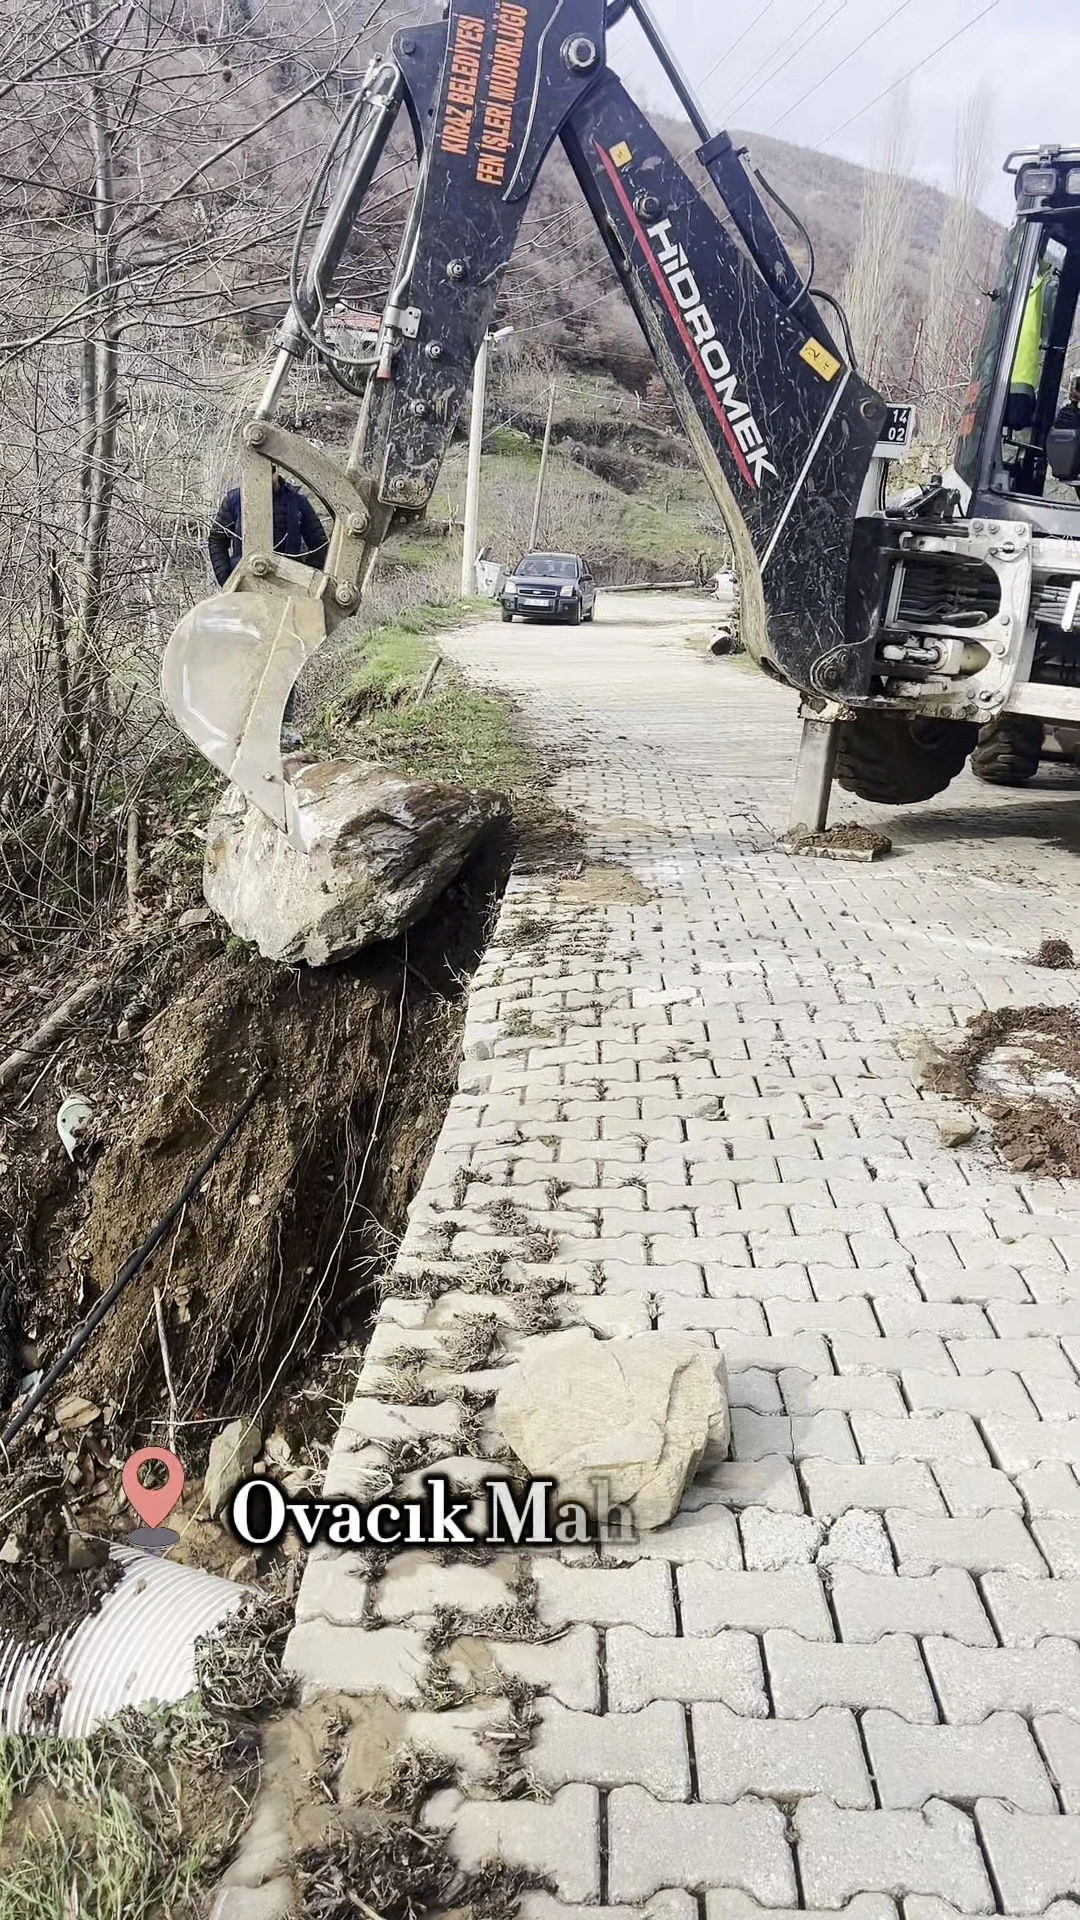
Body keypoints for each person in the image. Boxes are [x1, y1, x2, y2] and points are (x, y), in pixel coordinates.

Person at [208, 467, 329, 585]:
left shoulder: (297, 502)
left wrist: (305, 580)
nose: (263, 477)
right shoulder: (234, 500)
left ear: (276, 470)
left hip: (288, 585)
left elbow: (319, 545)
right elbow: (217, 539)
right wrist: (226, 578)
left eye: (268, 472)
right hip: (244, 585)